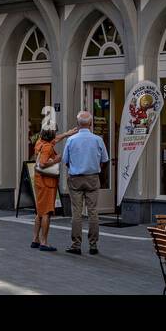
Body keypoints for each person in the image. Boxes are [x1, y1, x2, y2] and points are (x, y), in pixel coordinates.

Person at [61, 110, 108, 256]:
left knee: (76, 212)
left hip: (75, 178)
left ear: (78, 124)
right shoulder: (98, 140)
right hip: (93, 177)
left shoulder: (71, 140)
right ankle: (93, 245)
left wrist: (75, 168)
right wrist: (96, 169)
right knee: (93, 211)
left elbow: (65, 161)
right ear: (91, 124)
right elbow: (105, 160)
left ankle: (76, 244)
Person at [30, 125, 78, 252]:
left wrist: (67, 133)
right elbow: (42, 163)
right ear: (50, 136)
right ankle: (44, 242)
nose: (55, 135)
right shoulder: (47, 147)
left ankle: (35, 239)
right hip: (47, 183)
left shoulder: (40, 142)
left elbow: (56, 139)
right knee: (46, 213)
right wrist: (56, 159)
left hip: (39, 180)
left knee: (39, 211)